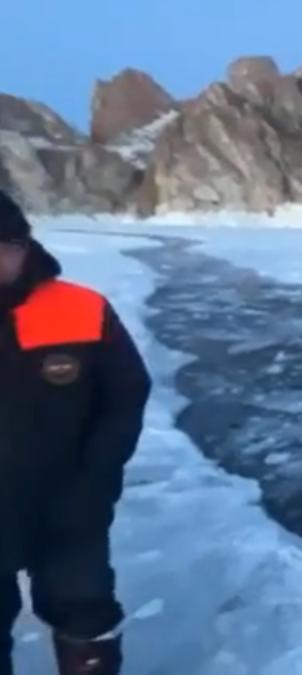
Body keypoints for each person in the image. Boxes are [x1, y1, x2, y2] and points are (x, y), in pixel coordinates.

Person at [0, 189, 151, 675]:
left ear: (25, 245)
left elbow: (125, 395)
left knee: (84, 611)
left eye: (8, 246)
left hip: (70, 501)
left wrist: (96, 478)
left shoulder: (81, 308)